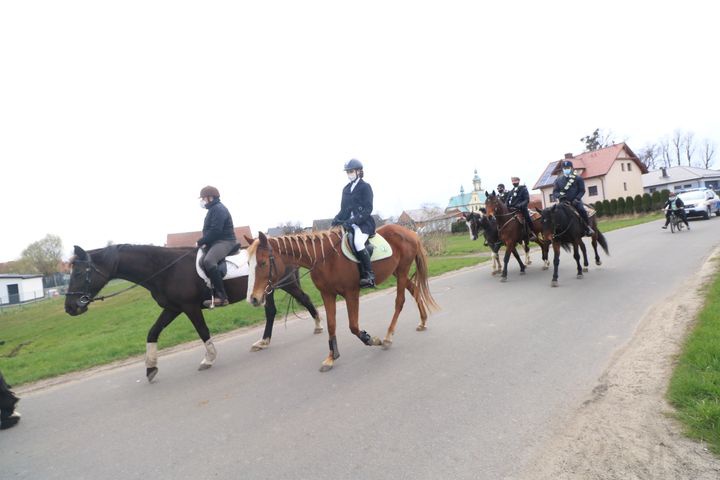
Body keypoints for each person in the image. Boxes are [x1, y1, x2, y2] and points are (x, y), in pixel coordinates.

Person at [331, 159, 376, 288]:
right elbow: (343, 210)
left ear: (358, 171)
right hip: (347, 223)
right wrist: (336, 219)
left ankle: (369, 275)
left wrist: (353, 221)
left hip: (363, 223)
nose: (349, 174)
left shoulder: (365, 187)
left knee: (358, 242)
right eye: (348, 172)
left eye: (351, 171)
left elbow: (368, 209)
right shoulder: (346, 189)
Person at [197, 186, 237, 307]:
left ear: (210, 197)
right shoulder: (212, 210)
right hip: (216, 242)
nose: (202, 201)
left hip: (225, 241)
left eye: (203, 198)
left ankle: (222, 297)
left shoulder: (219, 209)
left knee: (209, 261)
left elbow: (216, 231)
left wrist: (200, 241)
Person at [552, 160, 594, 236]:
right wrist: (560, 196)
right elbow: (555, 192)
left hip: (575, 201)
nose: (566, 169)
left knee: (582, 210)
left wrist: (577, 199)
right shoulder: (557, 181)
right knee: (555, 213)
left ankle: (587, 228)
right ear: (562, 169)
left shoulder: (578, 178)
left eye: (568, 168)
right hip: (563, 202)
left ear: (571, 168)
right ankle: (557, 232)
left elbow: (582, 190)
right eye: (564, 168)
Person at [506, 176, 536, 241]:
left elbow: (526, 199)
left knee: (527, 218)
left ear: (518, 181)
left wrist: (520, 205)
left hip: (521, 208)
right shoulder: (511, 191)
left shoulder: (523, 189)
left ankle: (531, 233)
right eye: (513, 181)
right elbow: (507, 200)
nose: (514, 182)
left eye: (515, 181)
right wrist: (506, 206)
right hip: (512, 209)